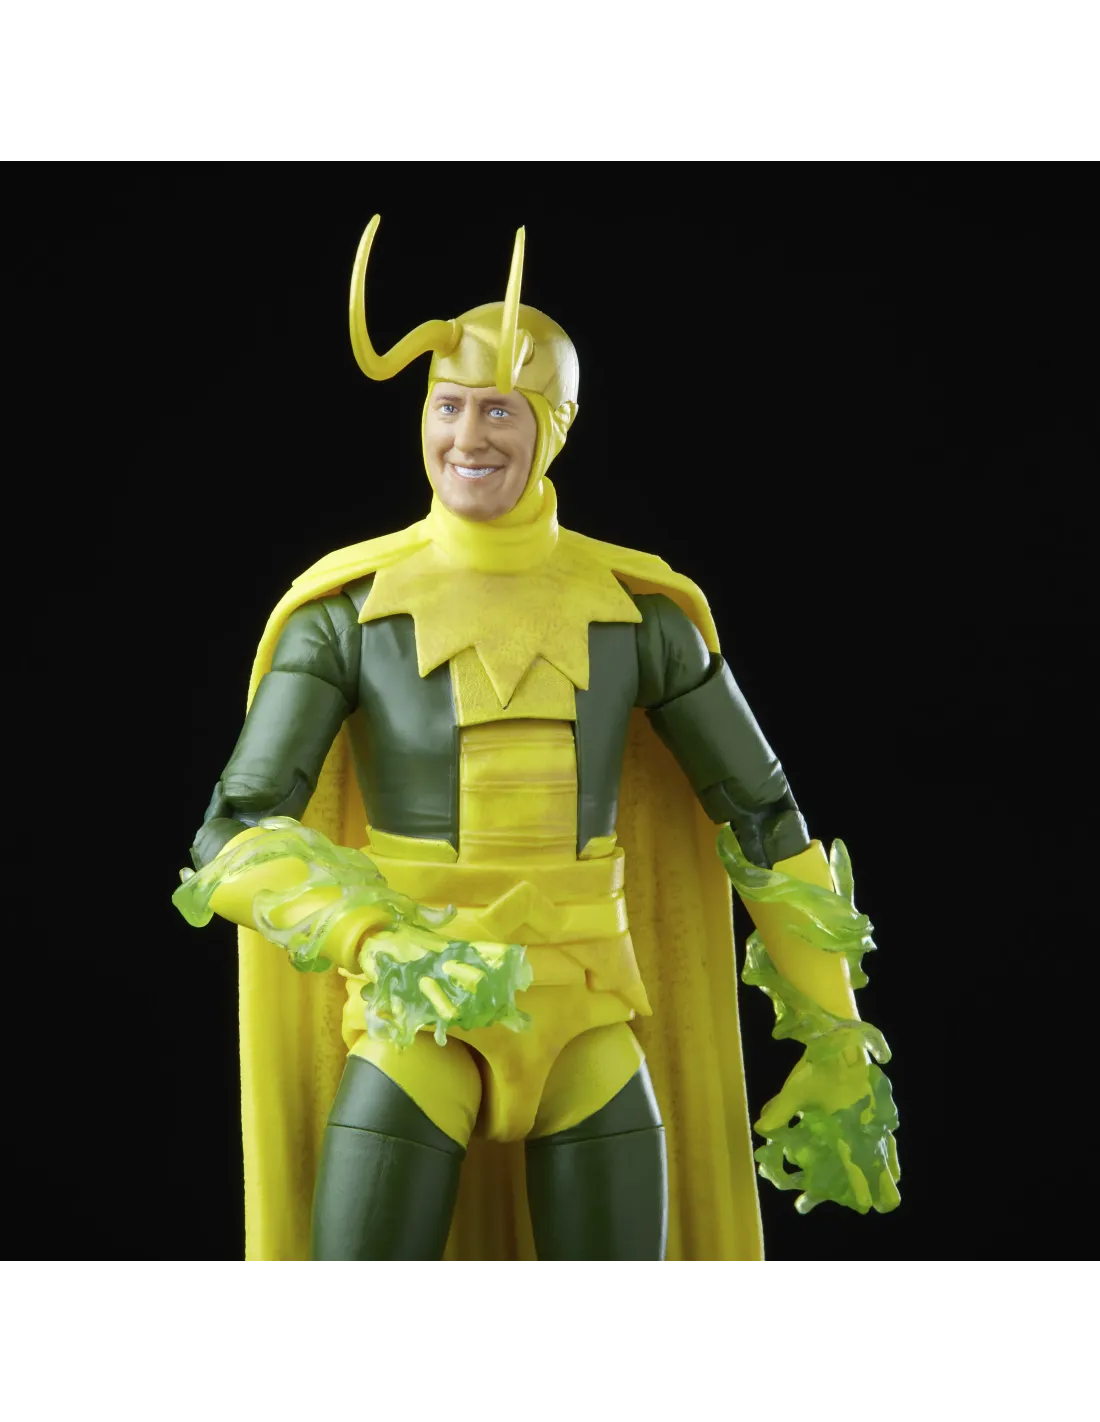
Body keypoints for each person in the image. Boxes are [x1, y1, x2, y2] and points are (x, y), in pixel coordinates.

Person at [177, 216, 899, 1263]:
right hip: (416, 1011)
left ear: (552, 426)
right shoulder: (348, 614)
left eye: (499, 410)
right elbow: (232, 832)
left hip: (585, 1010)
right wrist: (372, 940)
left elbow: (764, 818)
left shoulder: (637, 613)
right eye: (448, 405)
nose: (467, 437)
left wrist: (838, 1034)